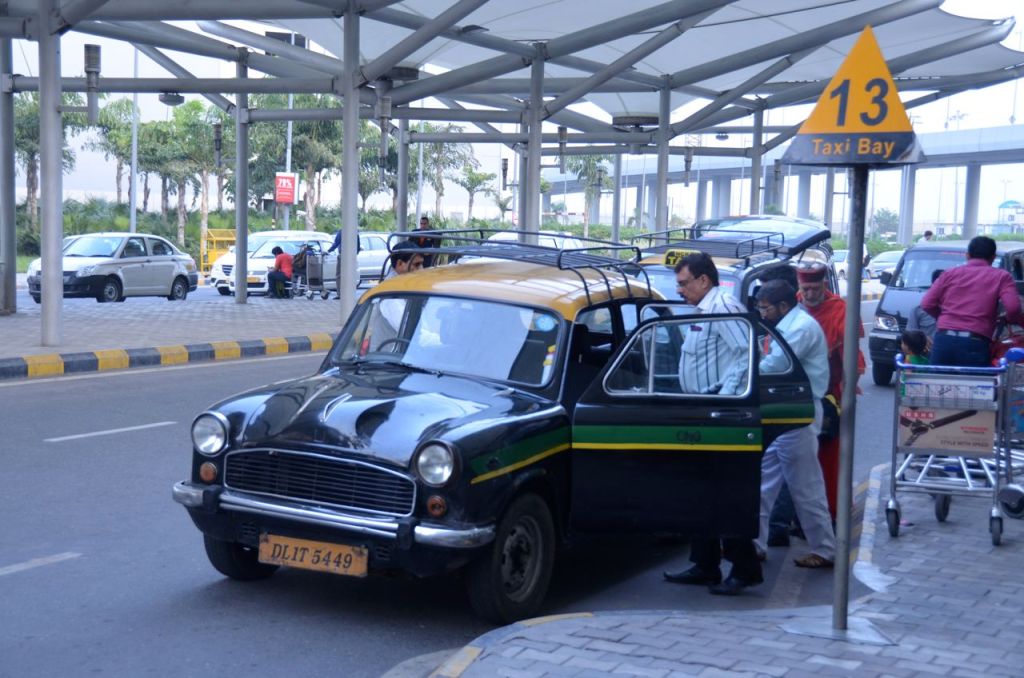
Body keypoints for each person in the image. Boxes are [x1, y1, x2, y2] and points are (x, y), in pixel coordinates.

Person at [662, 251, 762, 596]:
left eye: (684, 283)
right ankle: (705, 564)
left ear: (704, 280)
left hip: (720, 416)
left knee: (723, 495)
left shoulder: (724, 307)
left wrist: (725, 395)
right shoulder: (704, 309)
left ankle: (744, 568)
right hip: (701, 413)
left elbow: (748, 355)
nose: (680, 291)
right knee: (701, 493)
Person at [755, 279, 836, 570]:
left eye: (766, 309)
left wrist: (744, 374)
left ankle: (825, 549)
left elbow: (773, 365)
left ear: (783, 306)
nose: (763, 314)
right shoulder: (787, 324)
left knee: (805, 486)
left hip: (799, 415)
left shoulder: (800, 328)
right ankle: (754, 544)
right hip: (782, 412)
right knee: (763, 483)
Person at [794, 264, 865, 522]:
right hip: (796, 393)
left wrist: (845, 397)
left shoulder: (840, 310)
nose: (809, 294)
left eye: (815, 288)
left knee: (830, 457)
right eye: (805, 289)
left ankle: (832, 512)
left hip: (829, 396)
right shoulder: (792, 305)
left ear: (824, 285)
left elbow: (852, 359)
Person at [921, 236, 1023, 367]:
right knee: (974, 379)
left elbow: (927, 304)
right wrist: (1010, 319)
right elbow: (1013, 308)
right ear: (993, 257)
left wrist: (944, 318)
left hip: (944, 340)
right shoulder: (1002, 277)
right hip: (975, 342)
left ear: (967, 255)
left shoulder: (949, 274)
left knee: (939, 380)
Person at [906, 269, 943, 342]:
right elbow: (910, 337)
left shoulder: (955, 310)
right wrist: (923, 340)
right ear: (933, 286)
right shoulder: (918, 310)